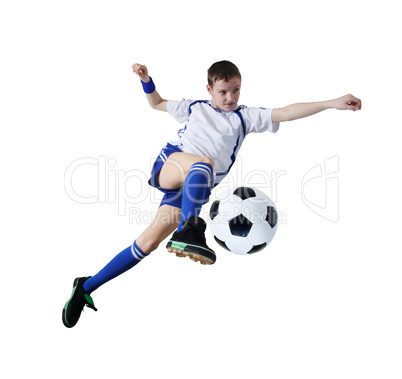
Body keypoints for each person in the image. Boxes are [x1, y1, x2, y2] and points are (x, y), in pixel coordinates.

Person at [62, 60, 361, 328]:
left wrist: (332, 103)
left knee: (148, 243)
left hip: (194, 189)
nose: (230, 98)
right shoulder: (195, 107)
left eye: (236, 90)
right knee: (203, 163)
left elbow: (285, 112)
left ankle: (85, 287)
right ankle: (190, 230)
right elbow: (156, 103)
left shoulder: (245, 118)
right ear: (209, 89)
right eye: (223, 92)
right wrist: (146, 80)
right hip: (172, 165)